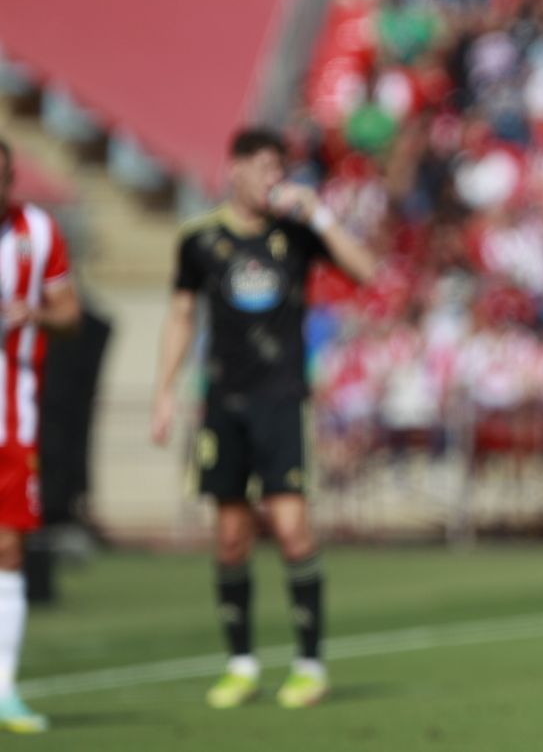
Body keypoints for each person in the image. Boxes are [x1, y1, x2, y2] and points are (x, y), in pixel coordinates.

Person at [151, 128, 376, 710]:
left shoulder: (296, 233)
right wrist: (165, 390)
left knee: (291, 525)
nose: (274, 178)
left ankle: (308, 665)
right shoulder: (199, 241)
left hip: (280, 399)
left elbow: (367, 272)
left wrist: (321, 215)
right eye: (264, 166)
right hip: (223, 400)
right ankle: (241, 664)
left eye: (280, 168)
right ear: (236, 171)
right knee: (229, 538)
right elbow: (181, 315)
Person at [0, 140, 80, 733]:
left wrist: (36, 316)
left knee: (8, 548)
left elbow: (70, 311)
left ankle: (4, 689)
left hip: (12, 415)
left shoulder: (38, 232)